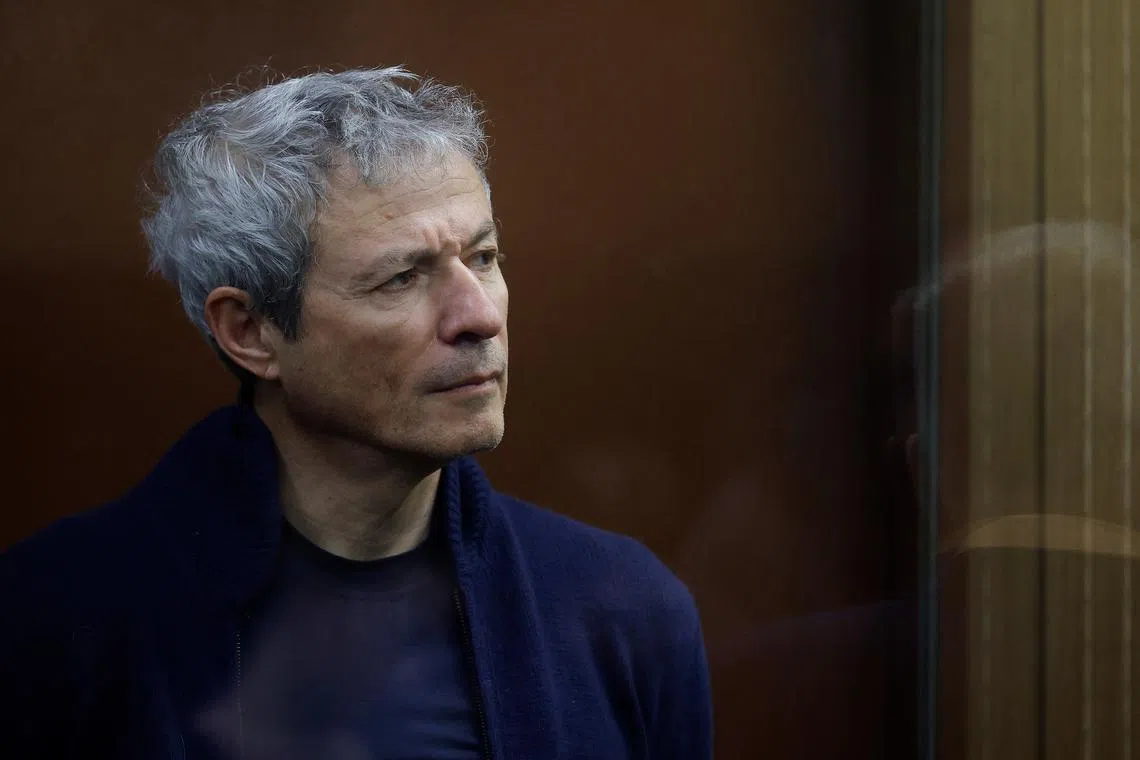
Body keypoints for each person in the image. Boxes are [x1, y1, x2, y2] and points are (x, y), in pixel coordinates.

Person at [0, 67, 712, 760]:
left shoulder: (619, 610)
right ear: (249, 332)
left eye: (485, 256)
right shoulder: (54, 624)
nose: (478, 316)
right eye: (401, 277)